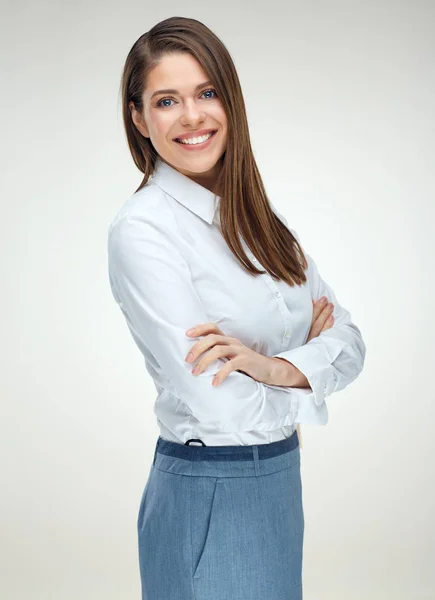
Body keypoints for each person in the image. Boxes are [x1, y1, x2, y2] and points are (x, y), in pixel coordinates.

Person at [107, 16, 366, 600]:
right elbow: (218, 403)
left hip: (277, 479)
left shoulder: (259, 223)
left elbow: (350, 342)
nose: (193, 117)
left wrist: (272, 368)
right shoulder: (145, 230)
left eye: (207, 92)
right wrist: (308, 367)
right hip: (210, 488)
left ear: (230, 100)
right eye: (167, 100)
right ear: (139, 118)